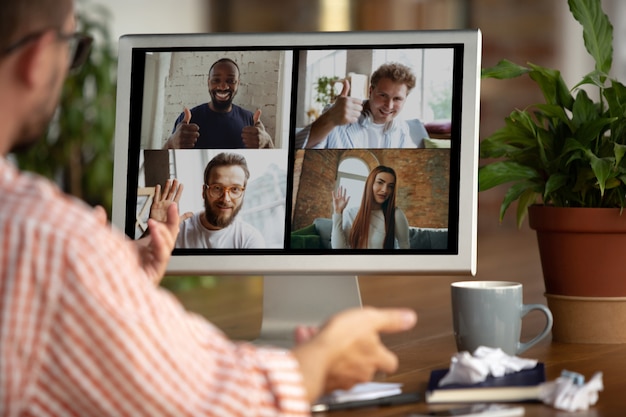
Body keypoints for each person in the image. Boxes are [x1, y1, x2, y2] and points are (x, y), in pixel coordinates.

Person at [0, 1, 417, 414]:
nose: (225, 198)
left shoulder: (254, 131)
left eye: (235, 190)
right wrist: (321, 360)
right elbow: (218, 403)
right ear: (38, 58)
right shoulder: (42, 238)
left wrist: (121, 285)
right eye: (73, 46)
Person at [149, 152, 266, 249]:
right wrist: (152, 233)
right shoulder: (176, 232)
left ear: (243, 193)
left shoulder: (250, 240)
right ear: (204, 191)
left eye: (235, 189)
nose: (226, 199)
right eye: (217, 188)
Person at [296, 62, 425, 149]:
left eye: (397, 99)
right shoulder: (338, 113)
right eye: (383, 95)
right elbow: (297, 148)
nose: (389, 106)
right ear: (370, 91)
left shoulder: (401, 127)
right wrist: (330, 118)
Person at [163, 57, 274, 149]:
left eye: (230, 81)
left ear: (238, 84)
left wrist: (267, 142)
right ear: (208, 83)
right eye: (216, 80)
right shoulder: (187, 120)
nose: (223, 87)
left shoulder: (250, 119)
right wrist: (171, 143)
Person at [331, 165, 410, 249]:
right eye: (380, 182)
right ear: (370, 184)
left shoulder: (395, 214)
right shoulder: (350, 213)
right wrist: (337, 213)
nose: (385, 190)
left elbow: (404, 246)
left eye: (390, 186)